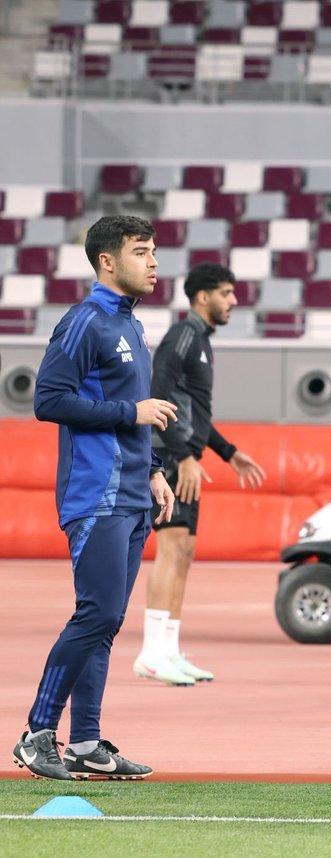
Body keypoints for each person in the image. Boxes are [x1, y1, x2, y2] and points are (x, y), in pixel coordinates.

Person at [13, 215, 177, 780]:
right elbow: (48, 400)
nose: (154, 261)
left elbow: (134, 407)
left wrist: (154, 469)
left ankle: (84, 743)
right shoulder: (83, 323)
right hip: (96, 493)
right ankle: (37, 732)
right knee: (97, 614)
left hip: (132, 492)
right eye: (141, 251)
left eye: (154, 250)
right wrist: (131, 413)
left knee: (106, 622)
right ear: (108, 261)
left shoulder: (131, 327)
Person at [133, 263, 267, 686]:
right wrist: (181, 456)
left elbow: (195, 411)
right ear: (203, 296)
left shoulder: (202, 341)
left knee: (184, 553)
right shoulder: (184, 336)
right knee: (171, 550)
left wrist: (228, 453)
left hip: (187, 458)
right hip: (172, 460)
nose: (233, 301)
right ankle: (151, 654)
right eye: (226, 293)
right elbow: (157, 394)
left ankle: (169, 650)